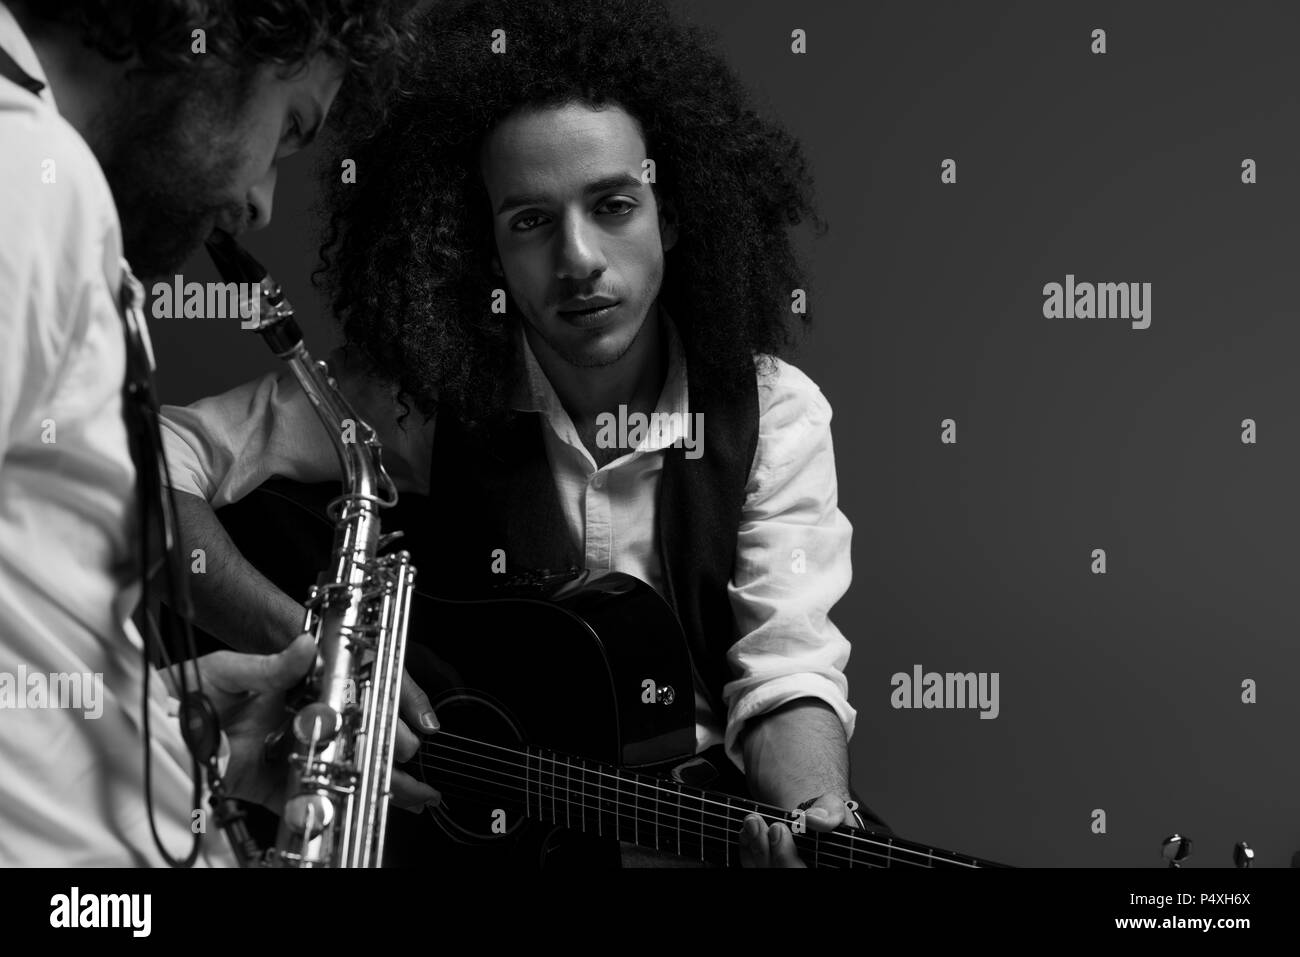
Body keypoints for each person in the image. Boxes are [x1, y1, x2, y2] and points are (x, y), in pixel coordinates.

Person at [161, 0, 868, 867]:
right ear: (485, 250)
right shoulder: (421, 398)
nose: (578, 259)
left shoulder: (775, 414)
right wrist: (299, 648)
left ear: (672, 216)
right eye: (529, 221)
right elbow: (146, 467)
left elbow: (786, 670)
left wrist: (815, 813)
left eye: (613, 204)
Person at [0, 0, 437, 867]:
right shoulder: (30, 176)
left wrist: (163, 731)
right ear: (223, 31)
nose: (261, 202)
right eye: (288, 130)